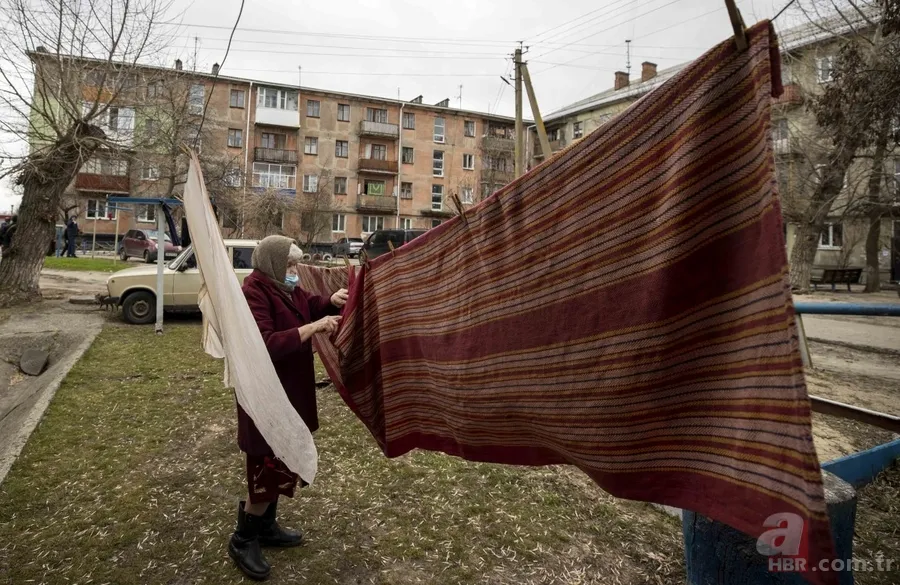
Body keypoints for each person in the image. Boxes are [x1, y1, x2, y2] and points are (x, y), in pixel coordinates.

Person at [229, 235, 348, 581]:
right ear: (273, 265)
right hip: (266, 395)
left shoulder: (284, 288)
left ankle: (265, 527)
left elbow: (310, 304)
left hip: (289, 390)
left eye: (296, 265)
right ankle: (242, 538)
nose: (295, 272)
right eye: (291, 266)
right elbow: (264, 344)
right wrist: (314, 327)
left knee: (282, 459)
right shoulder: (254, 292)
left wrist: (331, 301)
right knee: (267, 462)